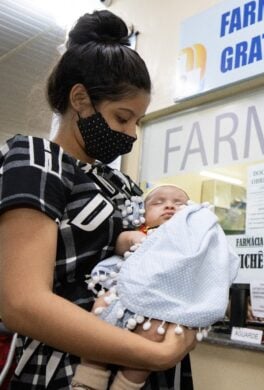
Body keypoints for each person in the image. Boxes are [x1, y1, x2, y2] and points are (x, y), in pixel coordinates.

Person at [0, 10, 197, 389]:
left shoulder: (121, 183)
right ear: (81, 100)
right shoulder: (38, 161)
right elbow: (23, 302)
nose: (132, 134)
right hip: (67, 372)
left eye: (137, 122)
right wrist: (154, 354)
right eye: (123, 118)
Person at [74, 183, 239, 389]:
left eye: (179, 203)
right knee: (99, 311)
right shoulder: (141, 232)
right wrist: (132, 238)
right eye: (158, 202)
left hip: (162, 303)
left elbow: (210, 266)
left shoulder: (193, 240)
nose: (169, 206)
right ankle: (89, 377)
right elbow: (120, 243)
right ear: (141, 214)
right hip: (123, 294)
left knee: (154, 336)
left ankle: (126, 385)